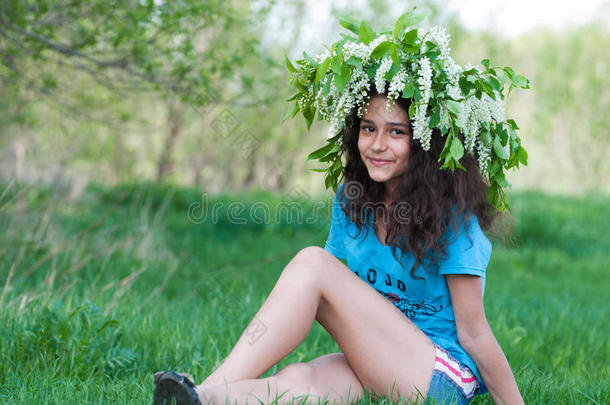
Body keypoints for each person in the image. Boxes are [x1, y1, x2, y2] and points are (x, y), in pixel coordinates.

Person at [153, 12, 529, 405]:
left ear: (425, 143)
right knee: (301, 379)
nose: (377, 144)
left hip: (440, 376)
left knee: (313, 265)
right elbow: (330, 297)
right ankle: (205, 398)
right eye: (368, 128)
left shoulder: (454, 219)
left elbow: (475, 334)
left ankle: (203, 387)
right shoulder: (353, 202)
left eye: (396, 132)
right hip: (381, 355)